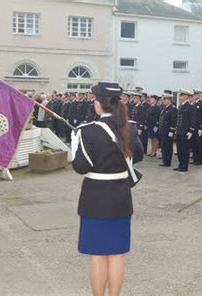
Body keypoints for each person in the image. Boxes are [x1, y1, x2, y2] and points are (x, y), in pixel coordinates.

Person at [72, 82, 143, 296]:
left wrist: (75, 144)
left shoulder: (87, 131)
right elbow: (137, 155)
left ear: (98, 103)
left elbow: (81, 167)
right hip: (121, 196)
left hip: (95, 198)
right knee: (117, 254)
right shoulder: (129, 127)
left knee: (98, 255)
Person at [174, 89, 196, 172]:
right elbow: (179, 119)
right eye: (180, 95)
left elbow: (193, 120)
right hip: (179, 131)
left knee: (185, 150)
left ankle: (184, 166)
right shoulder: (181, 106)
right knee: (179, 150)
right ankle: (180, 164)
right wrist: (176, 129)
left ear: (186, 96)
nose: (180, 97)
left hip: (185, 132)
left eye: (182, 95)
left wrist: (191, 131)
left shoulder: (190, 107)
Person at [158, 94, 177, 167]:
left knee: (168, 147)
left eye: (165, 100)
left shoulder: (173, 109)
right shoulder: (164, 108)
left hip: (168, 131)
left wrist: (172, 131)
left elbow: (173, 120)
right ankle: (164, 160)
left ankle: (167, 162)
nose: (163, 101)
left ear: (169, 100)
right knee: (163, 146)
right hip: (163, 131)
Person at [191, 88, 202, 165]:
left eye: (195, 94)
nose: (194, 96)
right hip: (193, 128)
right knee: (194, 144)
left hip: (198, 128)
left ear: (199, 95)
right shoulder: (194, 104)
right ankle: (195, 159)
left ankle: (198, 160)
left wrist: (201, 127)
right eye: (194, 94)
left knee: (198, 145)